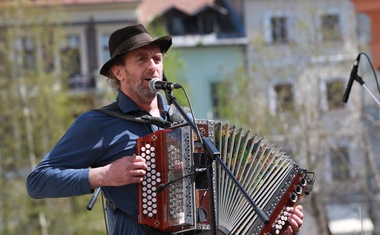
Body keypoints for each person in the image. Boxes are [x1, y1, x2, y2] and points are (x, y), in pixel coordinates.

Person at [26, 24, 304, 235]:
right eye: (141, 59)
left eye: (157, 59)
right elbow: (38, 181)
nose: (153, 66)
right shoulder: (98, 124)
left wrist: (276, 225)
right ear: (118, 73)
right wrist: (105, 175)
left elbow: (217, 209)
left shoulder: (184, 122)